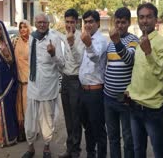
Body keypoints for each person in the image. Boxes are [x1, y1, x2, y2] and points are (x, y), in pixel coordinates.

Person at [125, 3, 163, 158]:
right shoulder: (140, 41)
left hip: (153, 110)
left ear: (156, 19)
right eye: (141, 17)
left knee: (159, 152)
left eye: (148, 17)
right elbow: (139, 71)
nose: (144, 21)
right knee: (138, 150)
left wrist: (149, 52)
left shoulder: (162, 43)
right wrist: (130, 90)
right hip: (135, 107)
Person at [22, 13, 64, 158]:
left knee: (47, 120)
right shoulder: (32, 37)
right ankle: (30, 148)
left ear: (48, 23)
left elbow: (62, 64)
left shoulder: (55, 38)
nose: (41, 25)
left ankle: (47, 147)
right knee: (30, 121)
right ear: (35, 23)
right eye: (39, 22)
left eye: (44, 22)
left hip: (48, 87)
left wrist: (53, 54)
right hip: (33, 86)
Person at [104, 7, 138, 158]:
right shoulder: (110, 42)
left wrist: (118, 42)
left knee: (128, 138)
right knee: (112, 137)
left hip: (125, 100)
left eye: (123, 22)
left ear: (129, 23)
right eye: (117, 22)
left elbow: (130, 59)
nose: (119, 26)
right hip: (108, 98)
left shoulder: (133, 40)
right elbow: (107, 64)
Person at [79, 10, 108, 158]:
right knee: (88, 127)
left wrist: (88, 44)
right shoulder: (86, 38)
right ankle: (91, 153)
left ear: (97, 23)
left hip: (95, 92)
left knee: (98, 128)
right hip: (83, 91)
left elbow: (96, 58)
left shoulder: (101, 40)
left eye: (91, 21)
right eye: (86, 22)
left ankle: (101, 155)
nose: (88, 24)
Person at [58, 9, 84, 158]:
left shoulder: (81, 37)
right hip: (66, 80)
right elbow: (62, 62)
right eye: (67, 22)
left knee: (76, 118)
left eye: (72, 22)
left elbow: (80, 60)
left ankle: (76, 151)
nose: (69, 25)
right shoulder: (61, 37)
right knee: (68, 117)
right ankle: (69, 149)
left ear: (76, 22)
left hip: (76, 81)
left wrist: (72, 43)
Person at [14, 20, 32, 142]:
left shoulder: (33, 42)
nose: (22, 30)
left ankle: (30, 132)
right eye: (20, 27)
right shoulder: (15, 42)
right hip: (17, 80)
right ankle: (21, 132)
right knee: (18, 108)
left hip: (29, 80)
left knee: (27, 108)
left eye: (25, 27)